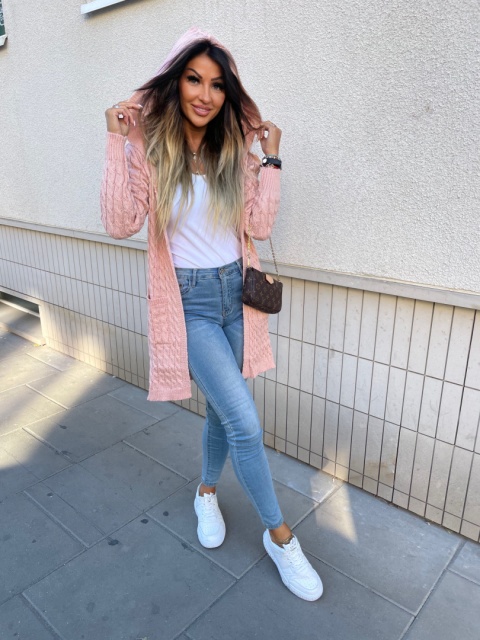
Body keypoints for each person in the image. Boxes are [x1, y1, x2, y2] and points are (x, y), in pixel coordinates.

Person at [101, 27, 323, 602]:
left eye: (218, 84)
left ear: (229, 93)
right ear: (175, 83)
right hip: (190, 305)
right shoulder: (151, 150)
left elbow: (259, 226)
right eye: (194, 79)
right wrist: (116, 141)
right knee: (246, 423)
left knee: (225, 415)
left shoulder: (232, 150)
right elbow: (120, 222)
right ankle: (280, 536)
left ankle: (205, 492)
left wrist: (270, 159)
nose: (205, 94)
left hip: (236, 298)